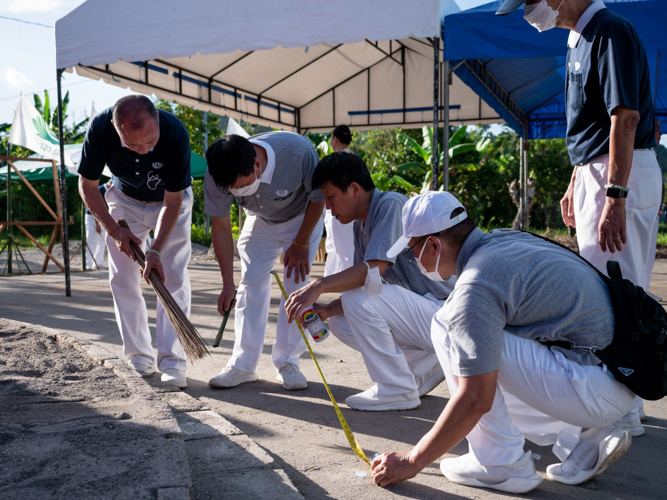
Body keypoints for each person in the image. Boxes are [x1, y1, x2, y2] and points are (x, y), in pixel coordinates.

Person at [371, 191, 637, 494]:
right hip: (620, 375)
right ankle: (585, 436)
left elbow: (476, 399)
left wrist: (411, 459)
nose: (412, 260)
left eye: (411, 252)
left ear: (433, 244)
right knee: (481, 348)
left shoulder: (476, 285)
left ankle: (499, 463)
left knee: (447, 325)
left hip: (597, 387)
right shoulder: (504, 240)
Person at [498, 0, 661, 441]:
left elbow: (625, 117)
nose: (531, 11)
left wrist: (615, 193)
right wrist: (577, 178)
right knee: (605, 288)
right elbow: (592, 122)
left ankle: (621, 410)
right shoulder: (579, 38)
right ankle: (625, 399)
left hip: (617, 172)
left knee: (619, 293)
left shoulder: (609, 32)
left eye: (532, 2)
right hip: (599, 169)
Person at [284, 153, 451, 411]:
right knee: (341, 318)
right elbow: (365, 283)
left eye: (330, 197)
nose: (327, 207)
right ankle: (418, 368)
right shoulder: (360, 226)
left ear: (354, 189)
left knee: (355, 301)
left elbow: (371, 272)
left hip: (447, 314)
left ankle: (396, 388)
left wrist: (318, 286)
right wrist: (327, 310)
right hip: (427, 313)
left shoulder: (391, 205)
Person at [78, 95, 193, 389]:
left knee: (173, 276)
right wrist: (114, 231)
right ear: (117, 131)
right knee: (122, 277)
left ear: (157, 121)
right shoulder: (99, 130)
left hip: (169, 203)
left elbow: (173, 199)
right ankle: (139, 356)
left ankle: (173, 362)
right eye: (132, 145)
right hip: (124, 200)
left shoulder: (176, 132)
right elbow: (88, 186)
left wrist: (154, 250)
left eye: (150, 141)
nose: (144, 150)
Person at [205, 132, 325, 390]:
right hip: (260, 219)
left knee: (296, 284)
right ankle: (243, 364)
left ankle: (288, 361)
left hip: (302, 217)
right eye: (232, 189)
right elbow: (221, 226)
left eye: (242, 185)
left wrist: (301, 243)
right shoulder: (218, 173)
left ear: (257, 165)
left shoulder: (297, 151)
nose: (237, 192)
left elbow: (318, 198)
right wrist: (228, 283)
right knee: (250, 284)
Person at [323, 125, 355, 277]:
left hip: (339, 209)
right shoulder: (355, 159)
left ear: (334, 139)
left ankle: (343, 281)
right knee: (340, 247)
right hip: (351, 209)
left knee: (341, 248)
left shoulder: (334, 161)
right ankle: (334, 280)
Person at [84, 180, 112, 270]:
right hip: (92, 217)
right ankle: (88, 263)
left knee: (102, 240)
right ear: (110, 184)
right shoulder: (100, 190)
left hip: (103, 217)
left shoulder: (109, 191)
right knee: (92, 240)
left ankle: (98, 262)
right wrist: (98, 225)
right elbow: (95, 208)